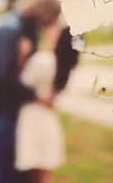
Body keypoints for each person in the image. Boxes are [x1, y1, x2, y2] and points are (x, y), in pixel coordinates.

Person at [0, 0, 61, 183]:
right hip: (5, 111)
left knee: (22, 171)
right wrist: (37, 98)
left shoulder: (27, 29)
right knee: (7, 171)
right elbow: (5, 79)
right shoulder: (10, 29)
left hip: (21, 111)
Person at [15, 23, 79, 183]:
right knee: (43, 171)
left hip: (32, 118)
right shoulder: (66, 66)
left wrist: (22, 57)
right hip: (48, 119)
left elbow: (21, 84)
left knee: (32, 171)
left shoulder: (42, 60)